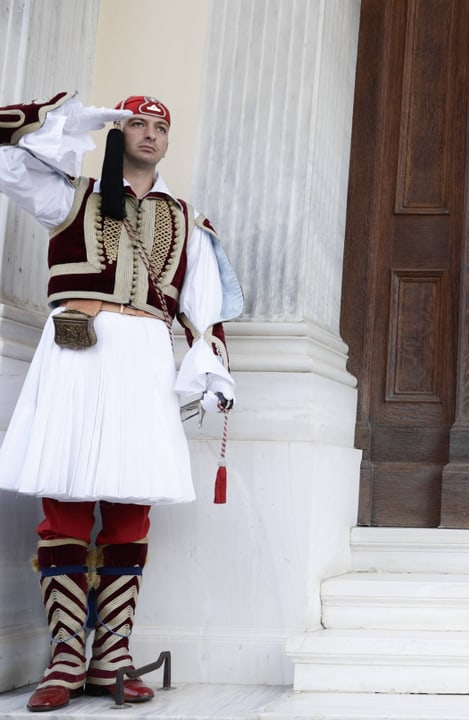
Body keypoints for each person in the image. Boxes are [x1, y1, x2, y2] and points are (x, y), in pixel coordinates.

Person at [0, 92, 242, 711]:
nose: (151, 134)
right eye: (138, 122)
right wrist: (69, 118)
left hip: (143, 359)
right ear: (117, 129)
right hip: (77, 351)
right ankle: (64, 660)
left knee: (130, 506)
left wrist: (211, 365)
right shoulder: (67, 195)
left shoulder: (186, 219)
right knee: (66, 501)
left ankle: (111, 657)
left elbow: (203, 306)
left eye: (161, 126)